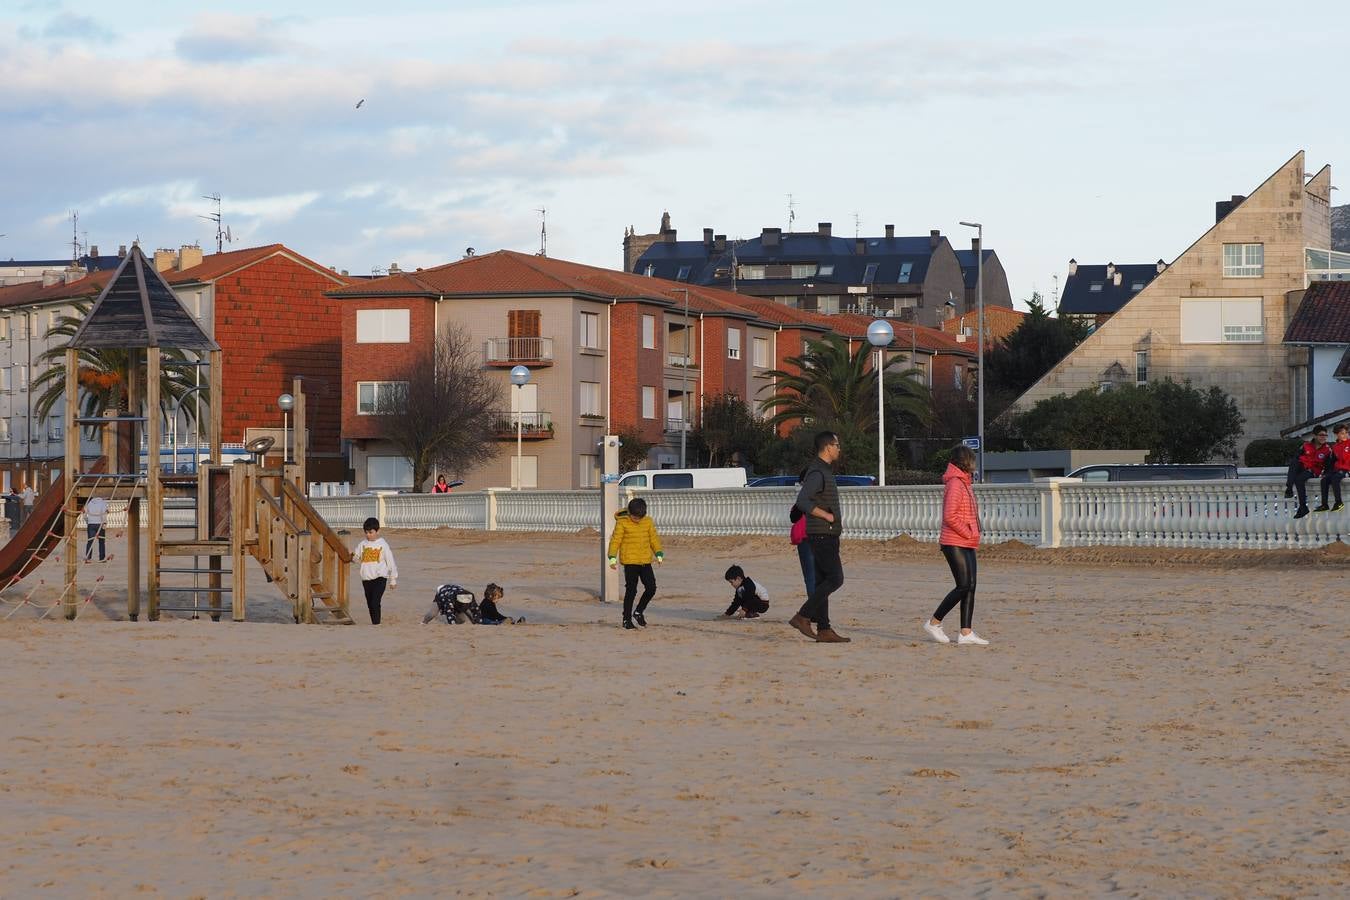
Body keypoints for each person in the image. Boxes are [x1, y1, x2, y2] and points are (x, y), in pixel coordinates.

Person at [924, 445, 989, 645]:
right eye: (973, 460)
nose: (975, 464)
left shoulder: (965, 483)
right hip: (954, 542)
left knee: (971, 586)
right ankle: (934, 622)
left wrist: (972, 534)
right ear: (966, 461)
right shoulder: (955, 483)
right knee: (963, 585)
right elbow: (950, 517)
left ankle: (966, 633)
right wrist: (968, 531)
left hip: (967, 542)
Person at [789, 431, 849, 643]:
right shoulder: (817, 472)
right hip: (822, 535)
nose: (839, 449)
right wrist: (826, 515)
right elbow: (803, 501)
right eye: (837, 445)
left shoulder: (823, 470)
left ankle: (824, 629)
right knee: (836, 578)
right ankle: (803, 616)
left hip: (825, 534)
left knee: (823, 580)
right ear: (828, 447)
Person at [607, 497, 664, 630]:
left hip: (645, 561)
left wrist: (659, 553)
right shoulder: (622, 522)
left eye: (639, 517)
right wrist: (612, 557)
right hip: (630, 562)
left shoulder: (648, 522)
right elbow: (615, 540)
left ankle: (638, 611)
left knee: (651, 588)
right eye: (634, 517)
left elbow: (653, 539)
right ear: (629, 513)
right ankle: (626, 619)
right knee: (631, 590)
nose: (637, 519)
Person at [354, 516, 397, 624]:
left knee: (375, 602)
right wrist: (352, 557)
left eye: (371, 532)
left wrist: (393, 579)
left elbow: (390, 562)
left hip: (380, 578)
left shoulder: (383, 544)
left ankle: (377, 624)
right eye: (366, 532)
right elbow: (356, 557)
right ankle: (374, 623)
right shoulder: (362, 544)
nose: (368, 535)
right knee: (369, 603)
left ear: (377, 531)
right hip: (366, 579)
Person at [1291, 426, 1331, 519]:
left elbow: (1329, 465)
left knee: (1299, 480)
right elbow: (1296, 458)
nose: (1324, 437)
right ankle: (1290, 489)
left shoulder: (1328, 449)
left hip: (1314, 471)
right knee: (1294, 467)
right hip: (1303, 468)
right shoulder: (1306, 445)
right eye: (1321, 435)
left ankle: (1303, 507)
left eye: (1325, 435)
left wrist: (1325, 474)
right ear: (1315, 436)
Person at [1316, 423, 1350, 513]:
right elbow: (1332, 462)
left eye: (1346, 433)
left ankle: (1339, 502)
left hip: (1347, 469)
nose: (1345, 435)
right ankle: (1324, 505)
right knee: (1324, 480)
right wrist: (1325, 473)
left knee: (1335, 479)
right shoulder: (1335, 447)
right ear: (1336, 434)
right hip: (1337, 469)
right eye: (1342, 433)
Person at [84, 494, 109, 562]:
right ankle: (102, 558)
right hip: (100, 524)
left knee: (90, 541)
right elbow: (104, 514)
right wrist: (104, 523)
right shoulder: (103, 503)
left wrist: (88, 522)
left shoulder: (89, 503)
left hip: (91, 524)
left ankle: (88, 558)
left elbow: (85, 515)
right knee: (101, 542)